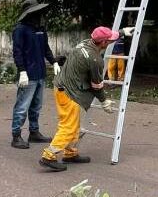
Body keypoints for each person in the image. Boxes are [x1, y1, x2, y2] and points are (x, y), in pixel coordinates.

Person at [39, 26, 119, 172]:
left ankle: (70, 153)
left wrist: (122, 33)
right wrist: (104, 101)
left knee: (73, 125)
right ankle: (48, 155)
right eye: (109, 41)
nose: (111, 42)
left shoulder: (85, 43)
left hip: (62, 87)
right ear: (104, 43)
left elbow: (107, 37)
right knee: (68, 127)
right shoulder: (95, 60)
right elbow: (96, 85)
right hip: (69, 93)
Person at [8, 0, 61, 149]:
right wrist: (22, 71)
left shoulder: (41, 29)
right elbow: (17, 52)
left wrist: (54, 62)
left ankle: (34, 132)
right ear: (29, 13)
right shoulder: (20, 29)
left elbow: (46, 48)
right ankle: (16, 135)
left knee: (36, 106)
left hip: (40, 73)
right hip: (28, 75)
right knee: (22, 106)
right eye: (37, 12)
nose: (40, 14)